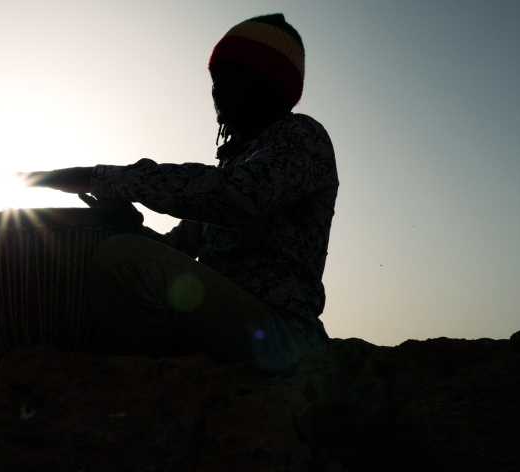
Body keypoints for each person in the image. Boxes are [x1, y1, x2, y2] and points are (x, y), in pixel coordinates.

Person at [20, 13, 338, 371]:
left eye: (234, 73)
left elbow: (240, 197)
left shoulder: (303, 137)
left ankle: (142, 393)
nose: (219, 86)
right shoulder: (232, 164)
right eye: (216, 76)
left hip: (283, 335)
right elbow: (176, 249)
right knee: (108, 253)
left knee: (122, 258)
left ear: (271, 82)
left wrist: (97, 177)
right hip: (231, 324)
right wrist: (124, 223)